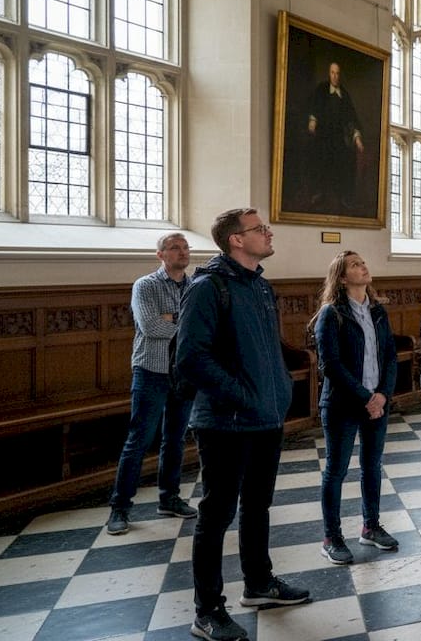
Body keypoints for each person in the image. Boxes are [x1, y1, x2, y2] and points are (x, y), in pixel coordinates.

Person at [178, 209, 310, 641]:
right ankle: (207, 610)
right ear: (236, 240)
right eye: (260, 229)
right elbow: (192, 359)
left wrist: (280, 393)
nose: (268, 233)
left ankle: (258, 583)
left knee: (258, 505)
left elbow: (269, 350)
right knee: (216, 515)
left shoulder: (260, 285)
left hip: (265, 418)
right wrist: (244, 395)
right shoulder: (207, 288)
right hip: (225, 422)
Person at [105, 233, 197, 535]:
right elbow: (151, 326)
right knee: (140, 440)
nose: (182, 252)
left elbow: (200, 326)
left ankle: (168, 498)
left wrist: (174, 318)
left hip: (181, 372)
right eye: (174, 247)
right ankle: (120, 507)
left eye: (185, 247)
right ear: (160, 255)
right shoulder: (146, 285)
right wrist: (182, 324)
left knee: (175, 438)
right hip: (152, 370)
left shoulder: (196, 286)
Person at [312, 251, 400, 565]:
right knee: (336, 471)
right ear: (342, 277)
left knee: (372, 467)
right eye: (355, 265)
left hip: (377, 402)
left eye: (363, 262)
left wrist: (382, 396)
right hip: (342, 404)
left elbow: (390, 355)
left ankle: (370, 526)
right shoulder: (331, 313)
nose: (363, 266)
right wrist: (366, 396)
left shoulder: (377, 310)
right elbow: (330, 365)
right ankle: (331, 536)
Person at [308, 62, 366, 215]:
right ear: (329, 74)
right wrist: (313, 122)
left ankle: (345, 197)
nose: (335, 76)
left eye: (338, 73)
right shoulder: (321, 90)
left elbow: (351, 119)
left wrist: (357, 137)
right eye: (332, 73)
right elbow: (315, 109)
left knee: (347, 157)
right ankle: (319, 192)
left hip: (340, 137)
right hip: (323, 135)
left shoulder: (344, 95)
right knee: (319, 156)